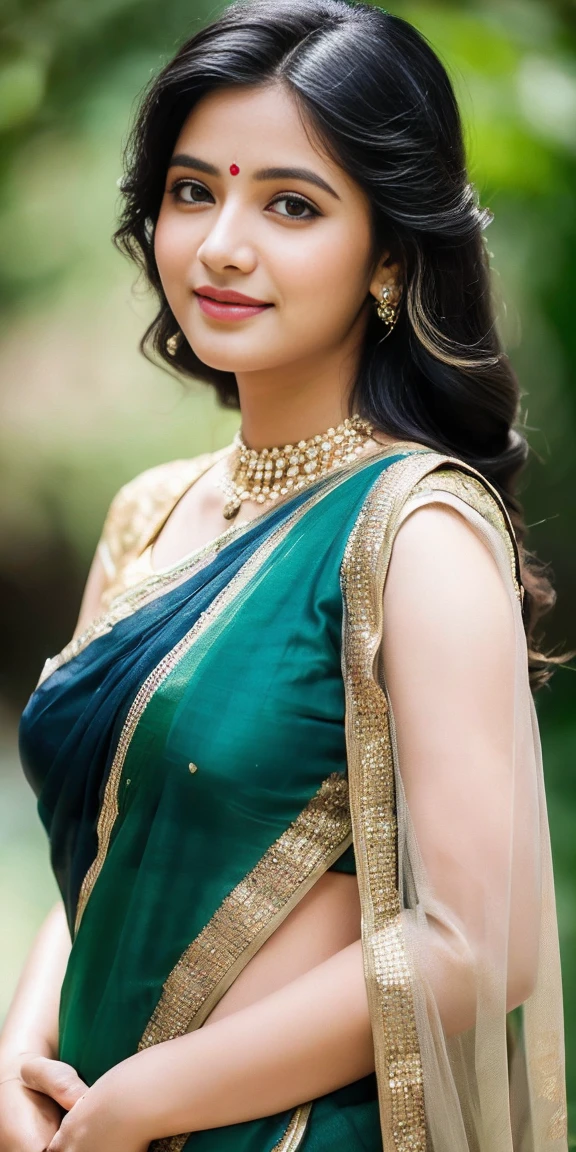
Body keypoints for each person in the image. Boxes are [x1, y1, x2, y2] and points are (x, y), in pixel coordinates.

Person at [0, 1, 567, 1149]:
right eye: (194, 190)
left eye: (292, 206)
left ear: (389, 259)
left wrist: (149, 1102)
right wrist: (20, 1055)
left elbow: (479, 940)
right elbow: (103, 854)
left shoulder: (418, 533)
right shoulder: (152, 514)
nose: (220, 245)